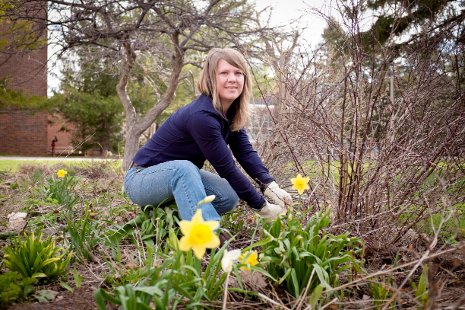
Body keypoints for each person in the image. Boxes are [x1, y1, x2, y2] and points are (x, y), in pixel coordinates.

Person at [124, 47, 292, 233]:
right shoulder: (202, 116)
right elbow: (227, 168)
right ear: (211, 78)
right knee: (184, 168)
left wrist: (270, 186)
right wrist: (263, 208)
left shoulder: (230, 113)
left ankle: (170, 220)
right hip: (141, 179)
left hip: (178, 178)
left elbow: (245, 153)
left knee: (228, 195)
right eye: (224, 73)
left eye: (238, 73)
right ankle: (209, 236)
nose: (232, 79)